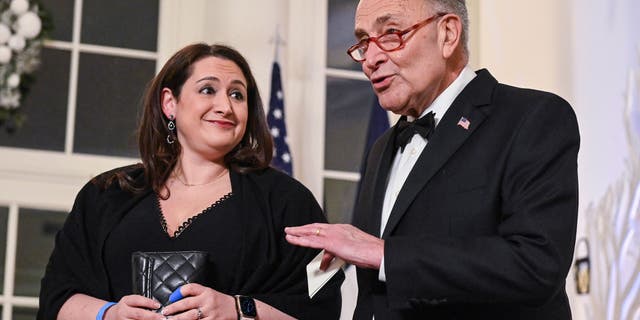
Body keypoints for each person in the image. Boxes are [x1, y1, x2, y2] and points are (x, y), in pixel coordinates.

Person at [285, 0, 579, 319]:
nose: (369, 59)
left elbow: (537, 265)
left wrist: (385, 255)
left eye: (391, 33)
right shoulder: (381, 148)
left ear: (448, 34)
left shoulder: (532, 118)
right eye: (363, 42)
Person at [38, 43, 343, 320]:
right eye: (208, 90)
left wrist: (239, 309)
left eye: (237, 94)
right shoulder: (105, 196)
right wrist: (110, 314)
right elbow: (57, 297)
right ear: (170, 103)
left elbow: (322, 308)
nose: (225, 106)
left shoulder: (286, 203)